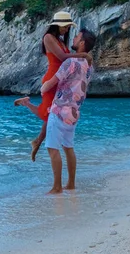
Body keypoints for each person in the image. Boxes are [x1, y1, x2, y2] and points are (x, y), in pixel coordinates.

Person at [14, 11, 91, 161]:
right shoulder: (48, 38)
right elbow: (62, 58)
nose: (67, 30)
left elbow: (65, 60)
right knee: (49, 114)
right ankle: (27, 106)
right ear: (58, 25)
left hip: (62, 80)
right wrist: (83, 55)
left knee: (51, 114)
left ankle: (37, 139)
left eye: (69, 27)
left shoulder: (61, 40)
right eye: (65, 26)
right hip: (52, 79)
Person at [41, 28, 97, 194]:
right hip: (74, 113)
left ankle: (57, 187)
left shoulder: (69, 63)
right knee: (68, 147)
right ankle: (71, 184)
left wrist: (43, 88)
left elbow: (52, 82)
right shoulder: (89, 66)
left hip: (59, 110)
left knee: (52, 148)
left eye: (77, 37)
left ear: (82, 43)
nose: (73, 39)